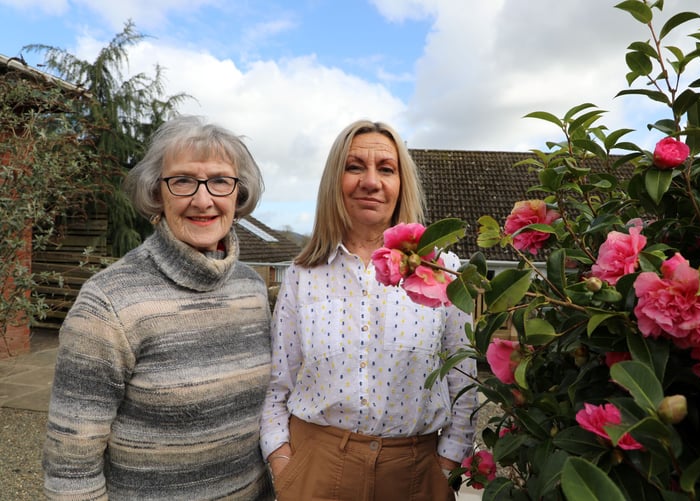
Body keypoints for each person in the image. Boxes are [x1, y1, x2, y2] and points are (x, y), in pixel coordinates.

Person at [43, 115, 274, 500]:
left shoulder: (251, 288)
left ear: (239, 194)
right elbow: (70, 468)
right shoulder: (108, 303)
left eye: (220, 180)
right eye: (182, 180)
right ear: (156, 192)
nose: (203, 200)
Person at [260, 119, 477, 501]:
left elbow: (464, 383)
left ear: (400, 184)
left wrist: (446, 465)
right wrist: (283, 461)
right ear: (334, 181)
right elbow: (279, 383)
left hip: (416, 473)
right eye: (354, 166)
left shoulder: (442, 271)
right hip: (315, 468)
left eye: (386, 169)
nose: (371, 181)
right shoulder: (302, 275)